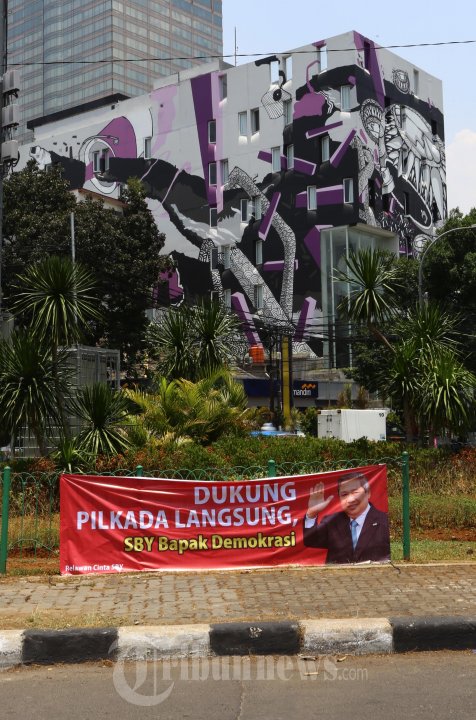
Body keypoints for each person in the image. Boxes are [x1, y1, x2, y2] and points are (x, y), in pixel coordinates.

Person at [303, 472, 390, 564]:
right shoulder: (332, 522)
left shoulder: (385, 521)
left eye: (355, 492)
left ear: (368, 493)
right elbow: (310, 540)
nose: (350, 500)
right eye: (344, 495)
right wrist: (312, 513)